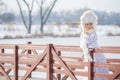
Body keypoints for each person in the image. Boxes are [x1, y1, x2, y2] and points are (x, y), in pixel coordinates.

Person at [79, 10, 108, 80]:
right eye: (87, 24)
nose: (89, 26)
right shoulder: (84, 34)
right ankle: (90, 77)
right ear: (84, 25)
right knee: (89, 66)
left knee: (97, 66)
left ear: (93, 24)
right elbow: (83, 43)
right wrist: (85, 48)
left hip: (96, 53)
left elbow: (93, 43)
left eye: (90, 24)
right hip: (89, 54)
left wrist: (88, 47)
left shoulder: (93, 33)